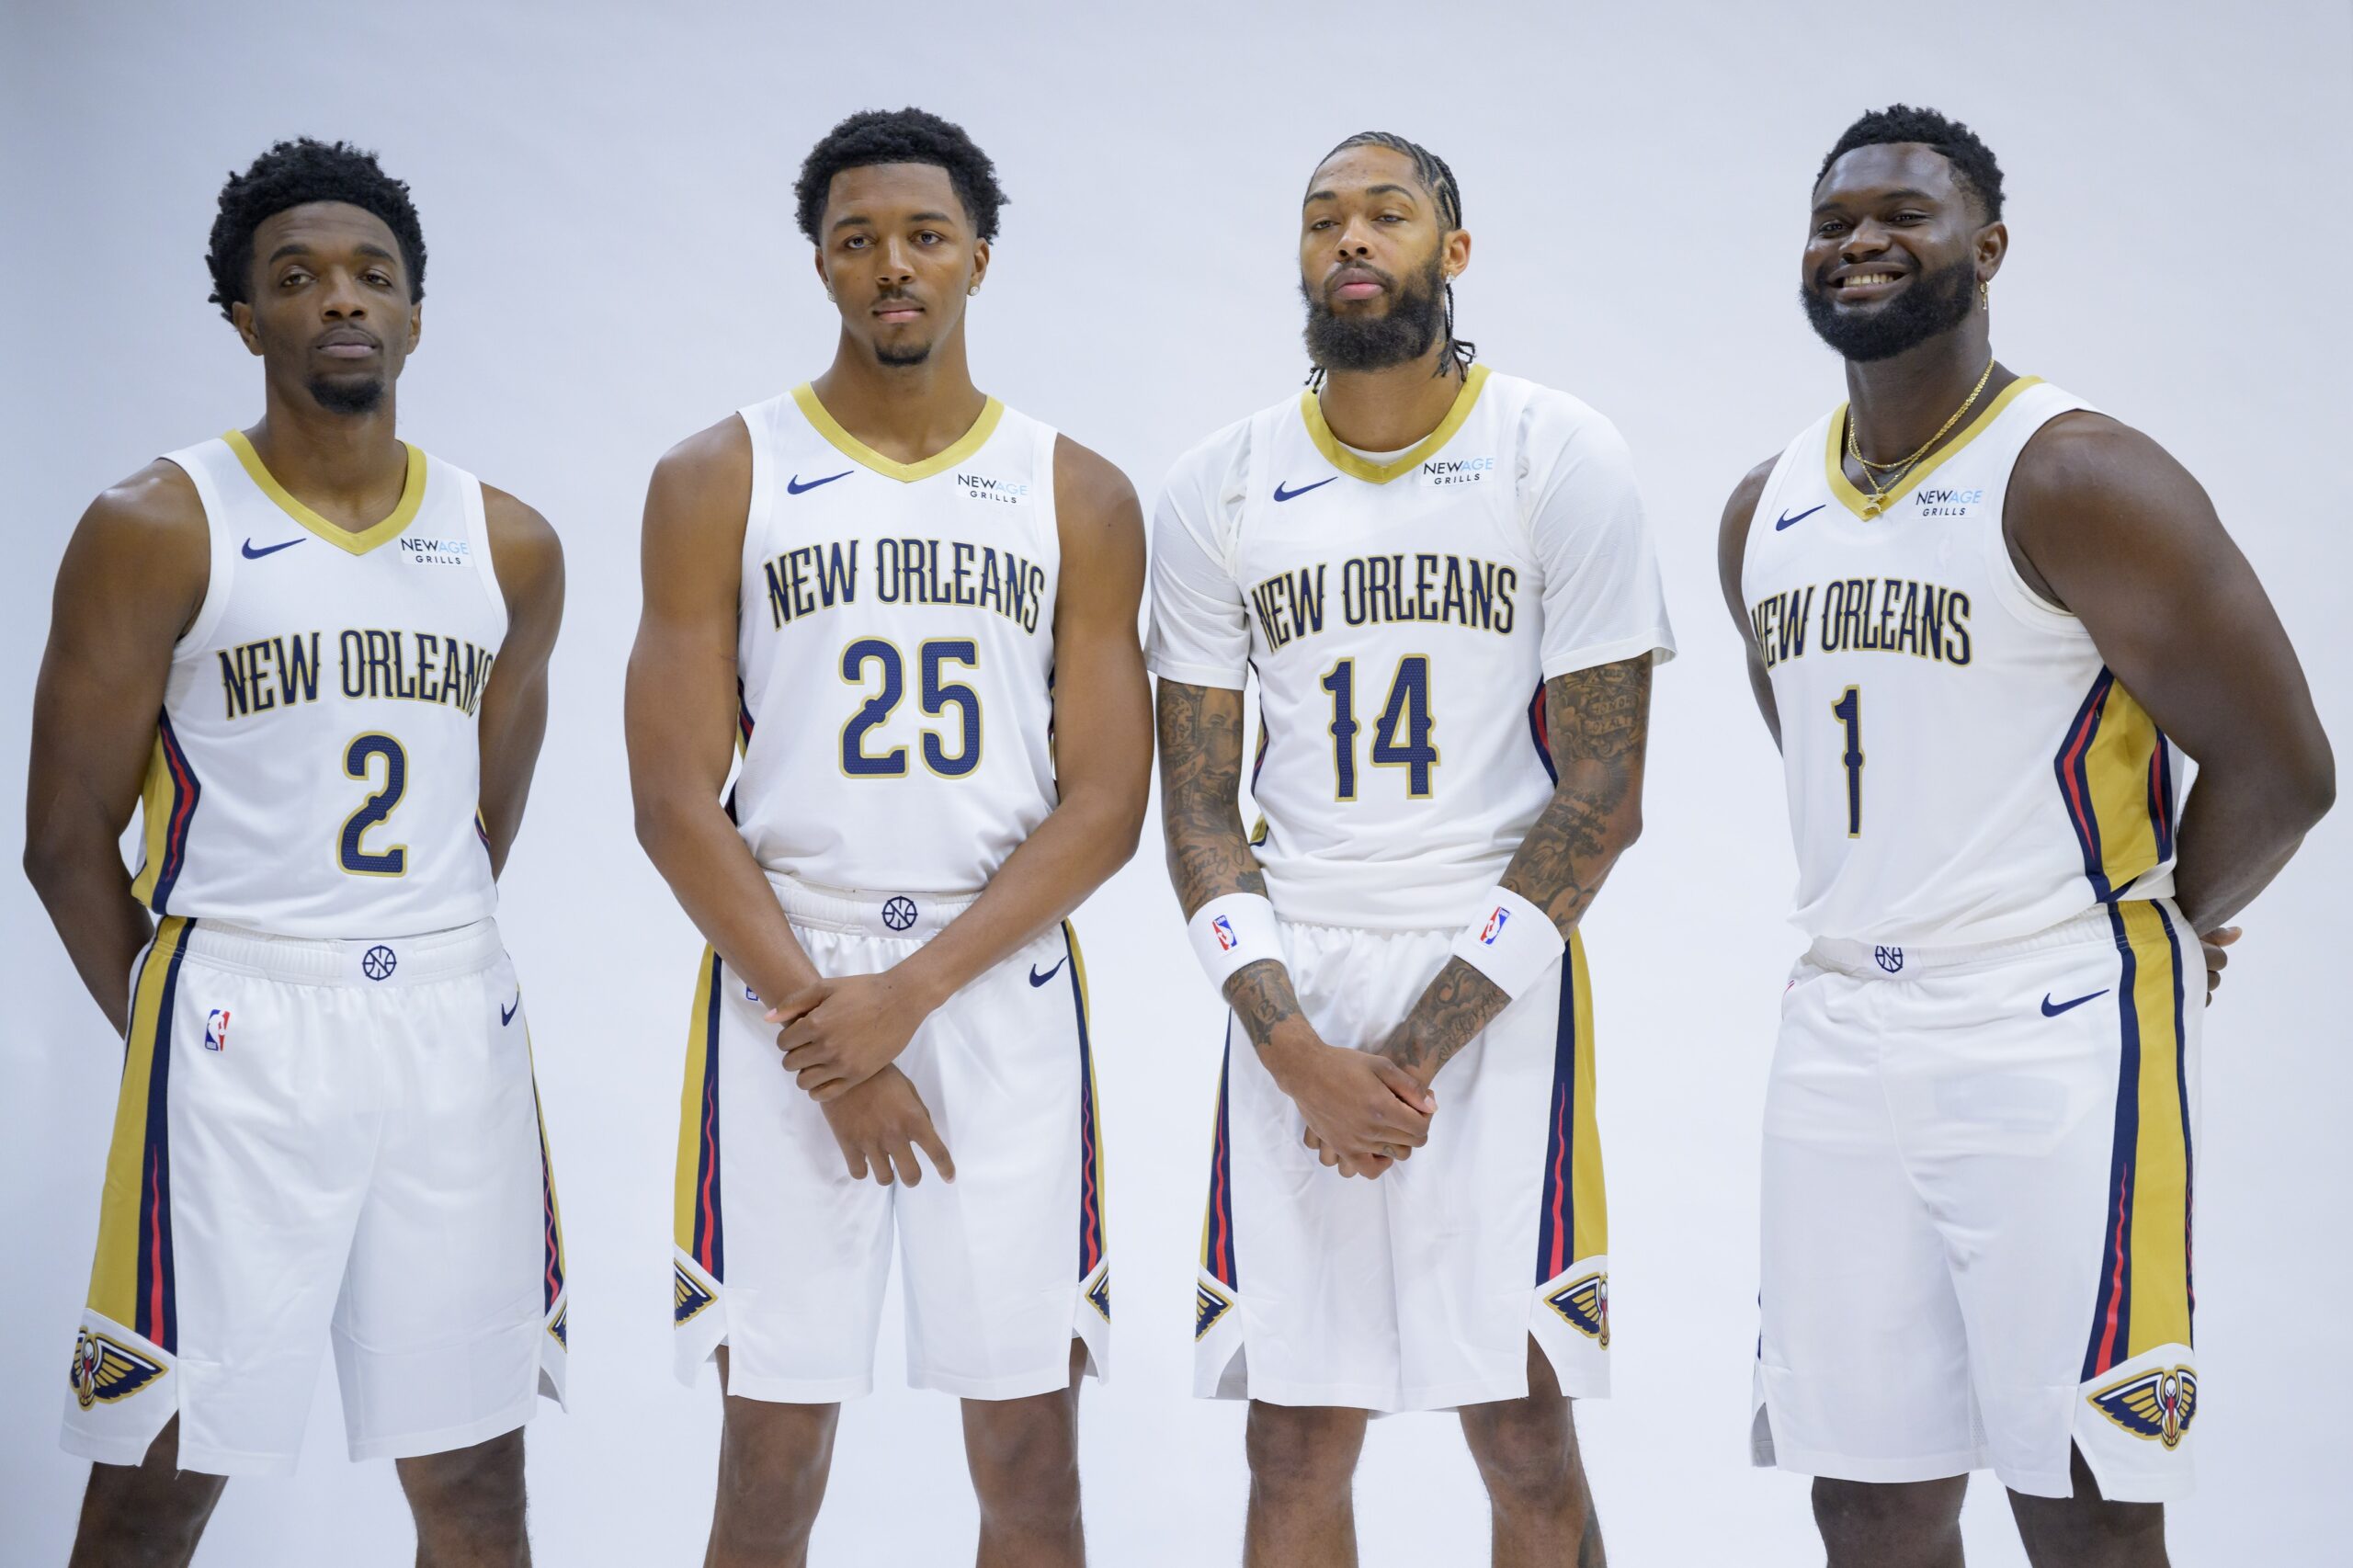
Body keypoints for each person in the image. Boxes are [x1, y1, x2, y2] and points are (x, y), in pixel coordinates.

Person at [1721, 104, 2335, 1567]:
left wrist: (2166, 922)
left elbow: (2284, 764)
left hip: (2048, 1019)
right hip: (1839, 1022)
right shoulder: (1763, 507)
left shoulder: (2076, 473)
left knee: (2080, 1489)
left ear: (1987, 248)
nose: (1860, 239)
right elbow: (1828, 754)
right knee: (1864, 1496)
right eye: (1833, 219)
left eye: (1903, 215)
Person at [28, 137, 569, 1566]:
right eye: (298, 278)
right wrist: (171, 1031)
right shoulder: (156, 523)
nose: (340, 299)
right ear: (244, 317)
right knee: (161, 1476)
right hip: (237, 1022)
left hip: (452, 1021)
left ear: (412, 312)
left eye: (370, 277)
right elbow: (63, 838)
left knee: (477, 1484)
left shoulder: (508, 542)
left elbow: (481, 816)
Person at [625, 108, 1149, 1568]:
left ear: (980, 257)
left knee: (1032, 1461)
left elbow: (1106, 802)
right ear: (821, 266)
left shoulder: (1077, 490)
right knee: (772, 1459)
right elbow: (673, 797)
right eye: (858, 241)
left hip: (996, 979)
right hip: (783, 973)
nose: (892, 266)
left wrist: (901, 1004)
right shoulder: (718, 473)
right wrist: (824, 1024)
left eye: (924, 236)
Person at [1148, 130, 1674, 1568]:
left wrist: (1414, 1054)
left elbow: (1603, 799)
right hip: (1295, 978)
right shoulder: (1220, 484)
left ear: (1454, 247)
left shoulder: (1555, 452)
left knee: (1520, 1419)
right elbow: (1196, 806)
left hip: (1493, 965)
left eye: (1389, 212)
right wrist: (1299, 1051)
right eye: (1322, 219)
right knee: (1294, 1437)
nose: (1350, 239)